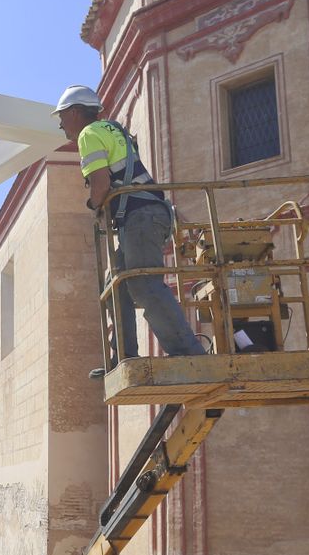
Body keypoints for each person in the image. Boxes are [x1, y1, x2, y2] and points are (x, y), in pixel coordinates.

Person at [53, 84, 206, 373]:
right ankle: (124, 356)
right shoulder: (112, 128)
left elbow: (101, 184)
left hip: (140, 217)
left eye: (61, 116)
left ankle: (189, 353)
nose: (61, 124)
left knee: (144, 284)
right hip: (146, 214)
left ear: (74, 113)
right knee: (117, 285)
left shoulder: (89, 134)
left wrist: (94, 205)